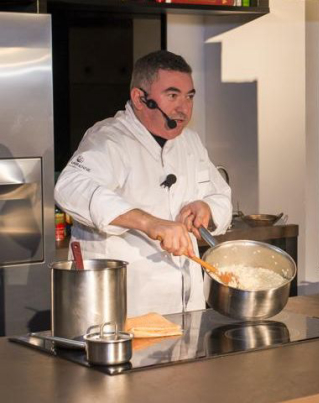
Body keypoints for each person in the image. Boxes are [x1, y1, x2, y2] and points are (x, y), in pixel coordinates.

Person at [55, 50, 232, 316]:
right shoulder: (109, 139)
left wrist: (206, 208)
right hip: (127, 306)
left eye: (189, 96)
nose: (183, 108)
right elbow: (70, 187)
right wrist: (150, 223)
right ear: (140, 98)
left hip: (187, 304)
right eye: (172, 95)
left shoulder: (190, 142)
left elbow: (221, 197)